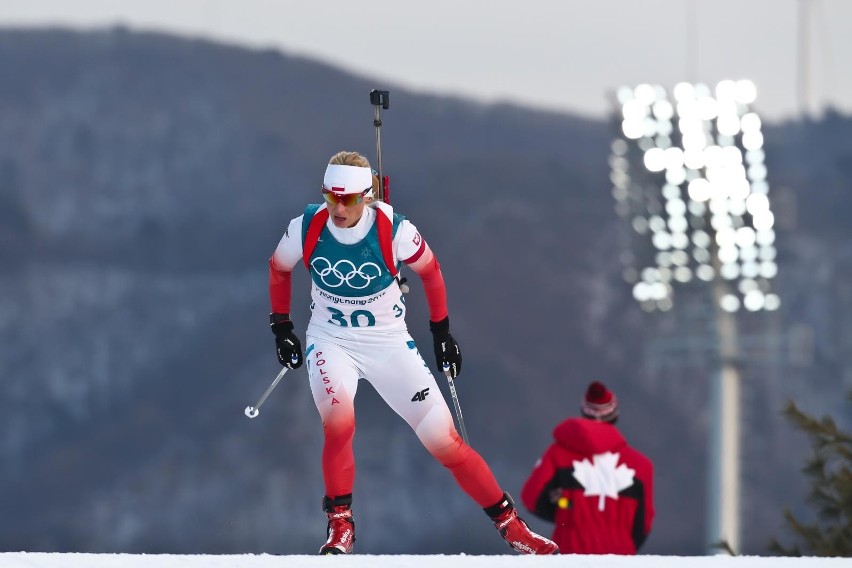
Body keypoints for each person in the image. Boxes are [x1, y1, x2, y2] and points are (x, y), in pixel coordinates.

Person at [267, 150, 558, 555]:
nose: (337, 208)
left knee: (446, 442)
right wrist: (282, 327)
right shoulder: (306, 227)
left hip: (389, 344)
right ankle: (340, 525)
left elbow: (431, 271)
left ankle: (513, 529)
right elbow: (279, 268)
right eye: (330, 197)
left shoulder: (393, 230)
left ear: (366, 197)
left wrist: (441, 333)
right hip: (331, 341)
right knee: (339, 426)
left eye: (348, 199)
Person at [520, 381, 655, 555]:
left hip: (569, 552)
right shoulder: (641, 466)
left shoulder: (558, 454)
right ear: (614, 415)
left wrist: (564, 510)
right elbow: (643, 524)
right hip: (622, 556)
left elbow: (531, 498)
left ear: (585, 411)